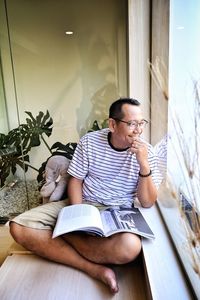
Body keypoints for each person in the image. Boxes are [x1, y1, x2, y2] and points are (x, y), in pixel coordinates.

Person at [10, 98, 163, 294]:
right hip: (84, 202)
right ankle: (95, 269)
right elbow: (76, 180)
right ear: (112, 124)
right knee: (18, 227)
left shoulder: (146, 152)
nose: (138, 130)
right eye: (132, 124)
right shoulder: (90, 142)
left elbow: (148, 201)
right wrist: (78, 213)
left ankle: (65, 234)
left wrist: (144, 165)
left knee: (130, 247)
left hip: (119, 211)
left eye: (141, 123)